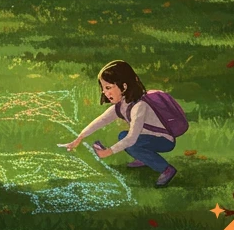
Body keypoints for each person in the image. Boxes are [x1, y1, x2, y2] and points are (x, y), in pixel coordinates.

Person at [65, 60, 179, 188]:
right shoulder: (121, 106)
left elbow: (132, 138)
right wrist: (79, 138)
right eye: (103, 89)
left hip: (164, 140)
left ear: (124, 87)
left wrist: (108, 152)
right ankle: (145, 159)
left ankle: (166, 169)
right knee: (122, 136)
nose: (105, 93)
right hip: (147, 138)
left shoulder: (139, 106)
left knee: (130, 144)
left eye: (108, 88)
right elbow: (101, 121)